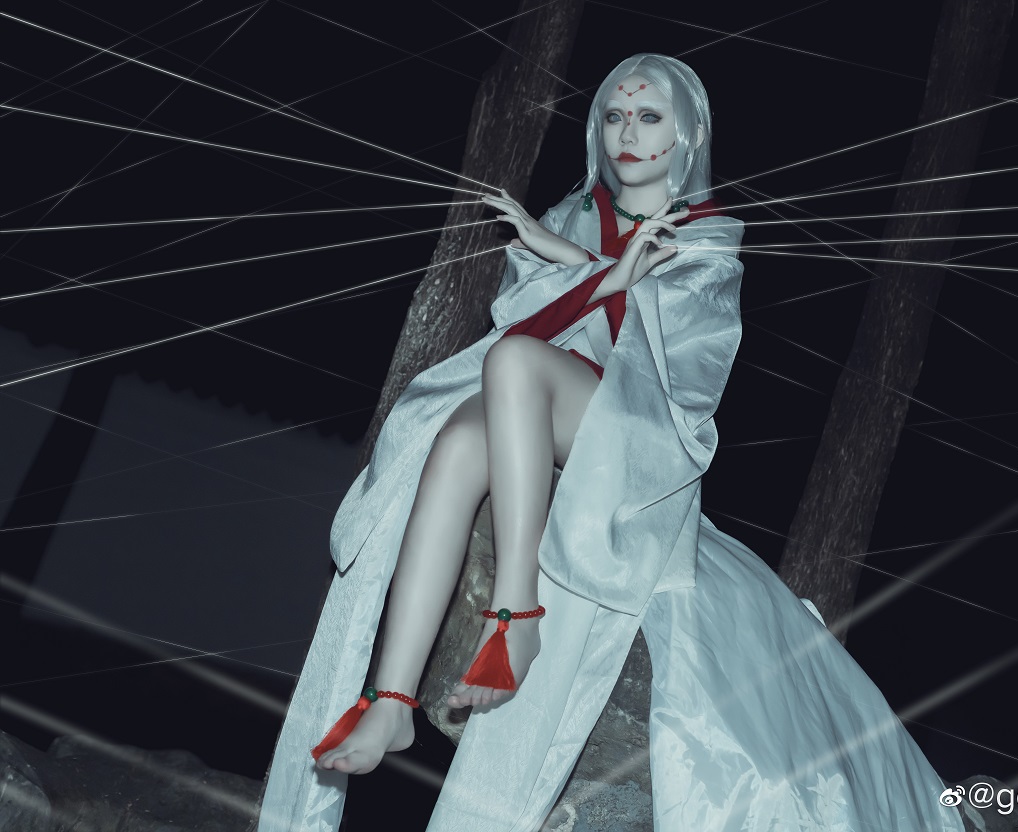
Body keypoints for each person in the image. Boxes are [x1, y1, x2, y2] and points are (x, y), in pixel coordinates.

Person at [255, 53, 965, 832]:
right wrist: (596, 269)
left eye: (649, 116)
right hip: (542, 404)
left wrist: (596, 278)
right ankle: (391, 699)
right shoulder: (568, 214)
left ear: (687, 136)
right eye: (615, 116)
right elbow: (520, 320)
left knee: (517, 366)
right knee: (458, 440)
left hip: (639, 433)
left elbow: (684, 375)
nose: (628, 132)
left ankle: (515, 613)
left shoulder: (710, 238)